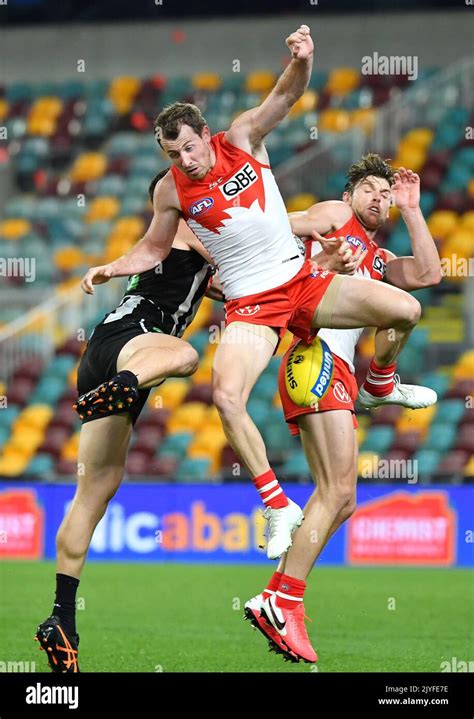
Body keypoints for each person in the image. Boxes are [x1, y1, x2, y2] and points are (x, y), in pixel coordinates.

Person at [81, 24, 435, 564]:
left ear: (205, 133)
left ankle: (380, 384)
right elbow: (154, 251)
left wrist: (302, 58)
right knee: (226, 396)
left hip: (301, 279)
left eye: (191, 146)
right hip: (251, 304)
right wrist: (111, 267)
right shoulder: (171, 189)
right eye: (174, 153)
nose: (186, 159)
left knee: (405, 308)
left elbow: (288, 95)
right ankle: (276, 504)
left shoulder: (243, 137)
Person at [245, 157, 442, 663]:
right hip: (315, 357)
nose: (378, 199)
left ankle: (275, 593)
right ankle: (283, 602)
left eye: (386, 194)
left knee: (344, 499)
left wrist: (414, 208)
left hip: (336, 371)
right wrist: (314, 262)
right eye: (369, 190)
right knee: (336, 491)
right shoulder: (334, 217)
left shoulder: (378, 258)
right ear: (351, 194)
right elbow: (272, 228)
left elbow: (429, 272)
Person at [34, 170, 220, 673]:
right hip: (136, 344)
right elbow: (249, 253)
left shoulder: (183, 246)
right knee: (186, 355)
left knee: (97, 487)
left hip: (102, 350)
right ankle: (128, 384)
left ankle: (61, 619)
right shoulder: (194, 229)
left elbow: (227, 287)